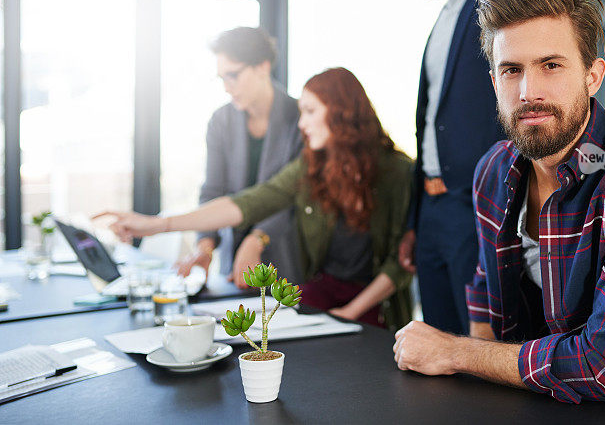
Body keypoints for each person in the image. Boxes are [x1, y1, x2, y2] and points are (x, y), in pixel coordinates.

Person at [392, 0, 605, 418]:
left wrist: (455, 353)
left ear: (592, 75)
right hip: (531, 404)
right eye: (512, 70)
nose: (529, 93)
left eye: (552, 65)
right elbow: (486, 309)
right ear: (494, 80)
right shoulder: (494, 169)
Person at [100, 68, 414, 330]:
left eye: (310, 111)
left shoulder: (398, 172)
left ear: (344, 112)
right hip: (322, 294)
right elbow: (248, 202)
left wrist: (349, 313)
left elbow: (401, 265)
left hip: (373, 305)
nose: (301, 124)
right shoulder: (311, 166)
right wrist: (159, 224)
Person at [379, 0, 515, 334]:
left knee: (482, 348)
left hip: (479, 203)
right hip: (434, 211)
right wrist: (415, 222)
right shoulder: (443, 16)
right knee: (437, 344)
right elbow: (432, 122)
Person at [175, 27, 303, 288]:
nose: (226, 88)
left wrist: (258, 238)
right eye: (221, 78)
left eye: (232, 76)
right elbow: (213, 189)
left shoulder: (300, 118)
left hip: (288, 260)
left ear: (262, 67)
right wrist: (206, 246)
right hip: (234, 267)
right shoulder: (221, 120)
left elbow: (293, 198)